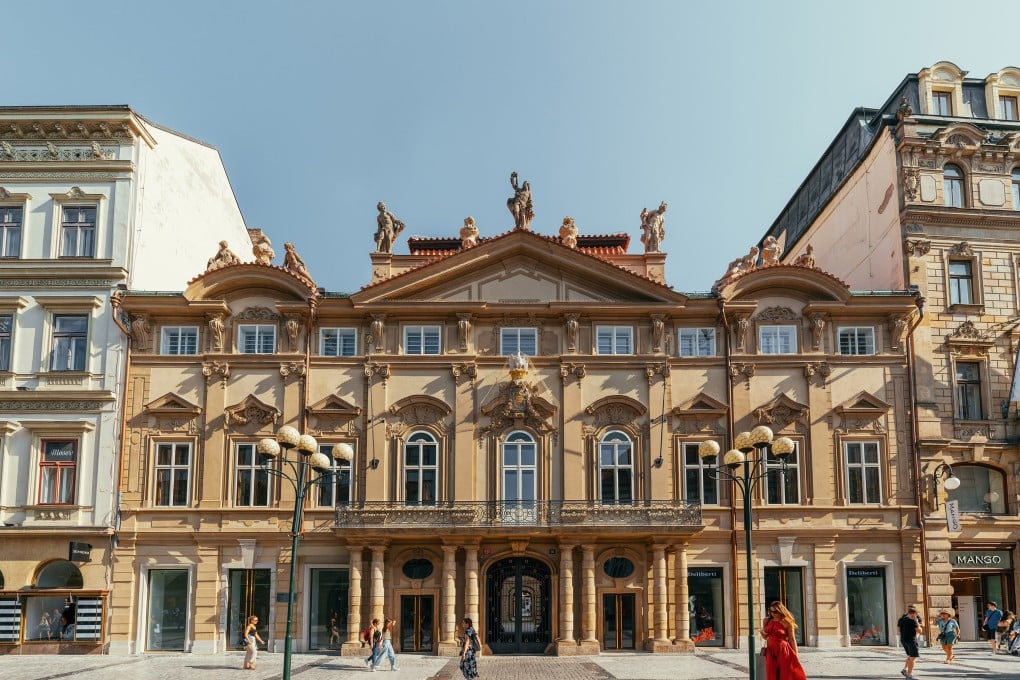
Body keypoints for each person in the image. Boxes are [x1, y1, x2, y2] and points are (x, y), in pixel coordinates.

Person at [761, 601, 807, 680]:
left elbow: (792, 639)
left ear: (780, 611)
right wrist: (762, 633)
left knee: (785, 674)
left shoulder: (787, 622)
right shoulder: (767, 620)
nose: (772, 614)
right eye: (771, 611)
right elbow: (765, 637)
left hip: (783, 650)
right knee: (771, 674)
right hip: (770, 650)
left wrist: (796, 655)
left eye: (775, 612)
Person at [897, 604, 922, 680]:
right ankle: (909, 675)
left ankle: (905, 670)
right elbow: (920, 630)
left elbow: (898, 630)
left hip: (903, 639)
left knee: (910, 656)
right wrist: (916, 621)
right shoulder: (912, 621)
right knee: (913, 657)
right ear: (914, 614)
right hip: (911, 640)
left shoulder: (901, 619)